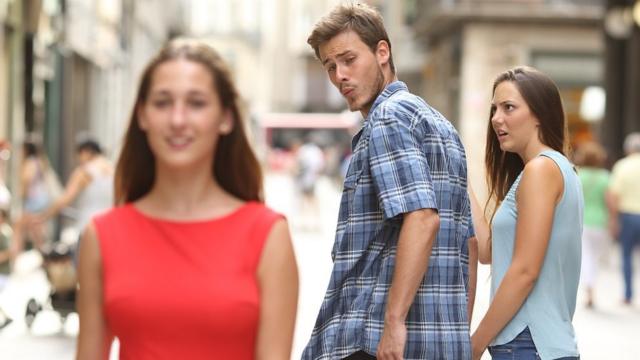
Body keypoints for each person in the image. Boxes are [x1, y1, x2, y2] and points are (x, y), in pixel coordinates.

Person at [75, 38, 298, 359]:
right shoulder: (101, 235)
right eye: (163, 102)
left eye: (196, 103)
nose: (178, 120)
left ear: (226, 118)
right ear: (142, 115)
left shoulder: (268, 235)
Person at [303, 4, 477, 359]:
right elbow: (469, 243)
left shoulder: (388, 118)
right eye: (330, 66)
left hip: (376, 341)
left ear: (382, 51)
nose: (340, 76)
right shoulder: (441, 126)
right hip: (439, 341)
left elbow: (423, 217)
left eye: (349, 59)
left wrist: (394, 321)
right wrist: (455, 334)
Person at [469, 67, 583, 360]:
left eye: (509, 107)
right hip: (533, 344)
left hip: (529, 344)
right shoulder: (549, 170)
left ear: (539, 115)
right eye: (495, 108)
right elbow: (487, 252)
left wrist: (475, 343)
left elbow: (524, 272)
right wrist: (460, 179)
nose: (496, 118)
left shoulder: (542, 170)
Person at [35, 136, 114, 235]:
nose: (78, 159)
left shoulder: (84, 171)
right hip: (111, 227)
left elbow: (65, 199)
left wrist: (44, 216)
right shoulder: (113, 170)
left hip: (90, 226)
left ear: (86, 152)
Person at [573, 141, 612, 308]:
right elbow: (610, 202)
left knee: (586, 256)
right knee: (594, 257)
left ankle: (589, 289)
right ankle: (591, 287)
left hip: (581, 221)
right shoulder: (605, 177)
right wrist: (613, 221)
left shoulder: (577, 175)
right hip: (600, 222)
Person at [608, 132, 640, 306]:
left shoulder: (622, 166)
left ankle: (628, 294)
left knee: (627, 255)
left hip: (627, 215)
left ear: (628, 149)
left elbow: (613, 194)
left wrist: (613, 219)